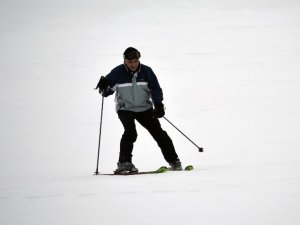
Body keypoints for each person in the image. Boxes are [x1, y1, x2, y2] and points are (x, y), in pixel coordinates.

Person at [96, 47, 182, 173]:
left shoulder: (147, 71)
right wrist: (104, 87)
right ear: (124, 60)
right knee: (130, 132)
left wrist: (158, 105)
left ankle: (174, 161)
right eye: (130, 62)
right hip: (125, 108)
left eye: (135, 61)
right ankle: (124, 163)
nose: (133, 64)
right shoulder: (117, 73)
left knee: (159, 134)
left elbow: (155, 89)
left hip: (145, 108)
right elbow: (106, 92)